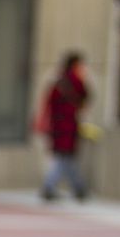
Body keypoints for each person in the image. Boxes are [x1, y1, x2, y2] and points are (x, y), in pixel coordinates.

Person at [39, 52, 90, 201]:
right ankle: (50, 186)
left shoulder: (58, 81)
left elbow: (48, 103)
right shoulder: (76, 81)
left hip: (57, 126)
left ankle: (78, 187)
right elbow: (86, 97)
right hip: (68, 125)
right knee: (64, 156)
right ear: (75, 65)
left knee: (66, 157)